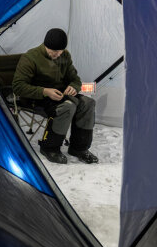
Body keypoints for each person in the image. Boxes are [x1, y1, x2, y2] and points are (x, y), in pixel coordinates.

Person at [12, 28, 98, 165]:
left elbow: (75, 79)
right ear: (45, 45)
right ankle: (49, 148)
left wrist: (74, 87)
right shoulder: (30, 58)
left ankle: (79, 149)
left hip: (60, 94)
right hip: (37, 98)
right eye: (53, 51)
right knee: (66, 107)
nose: (57, 55)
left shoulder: (65, 56)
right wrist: (45, 91)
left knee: (88, 103)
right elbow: (18, 86)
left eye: (59, 52)